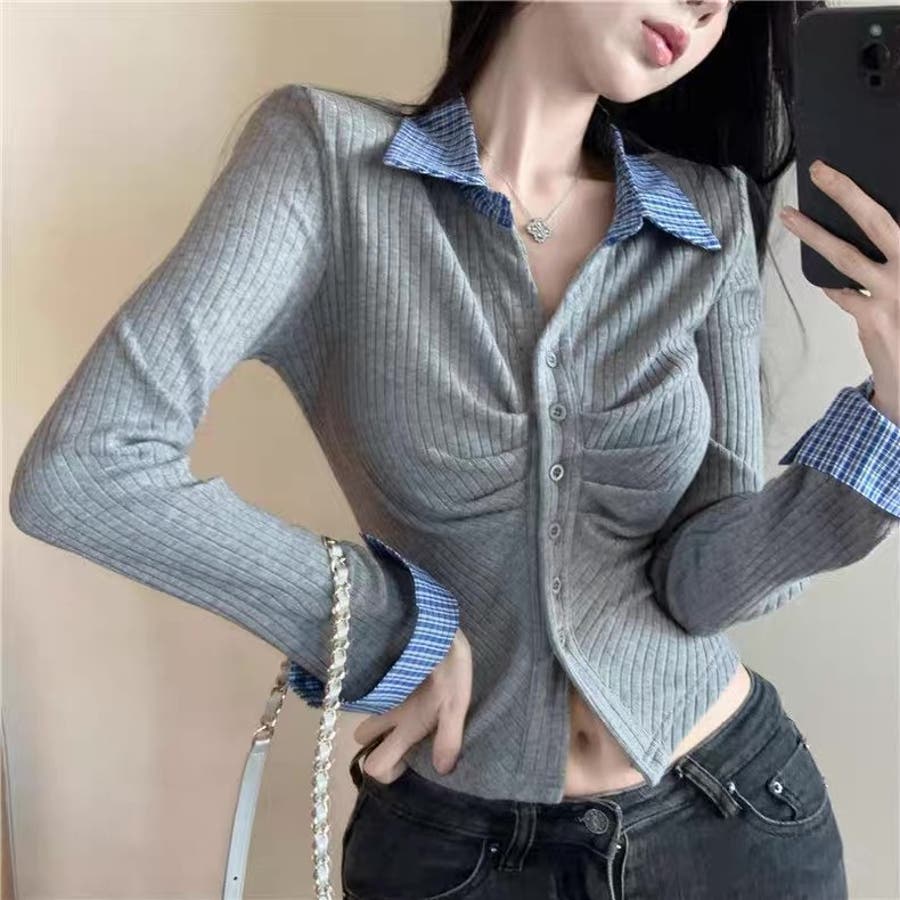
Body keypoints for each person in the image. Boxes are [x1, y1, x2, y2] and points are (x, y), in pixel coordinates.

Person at [9, 0, 900, 897]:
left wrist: (889, 420)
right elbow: (86, 466)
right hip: (456, 857)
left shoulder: (708, 212)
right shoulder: (323, 161)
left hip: (732, 819)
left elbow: (704, 586)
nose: (708, 8)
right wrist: (384, 627)